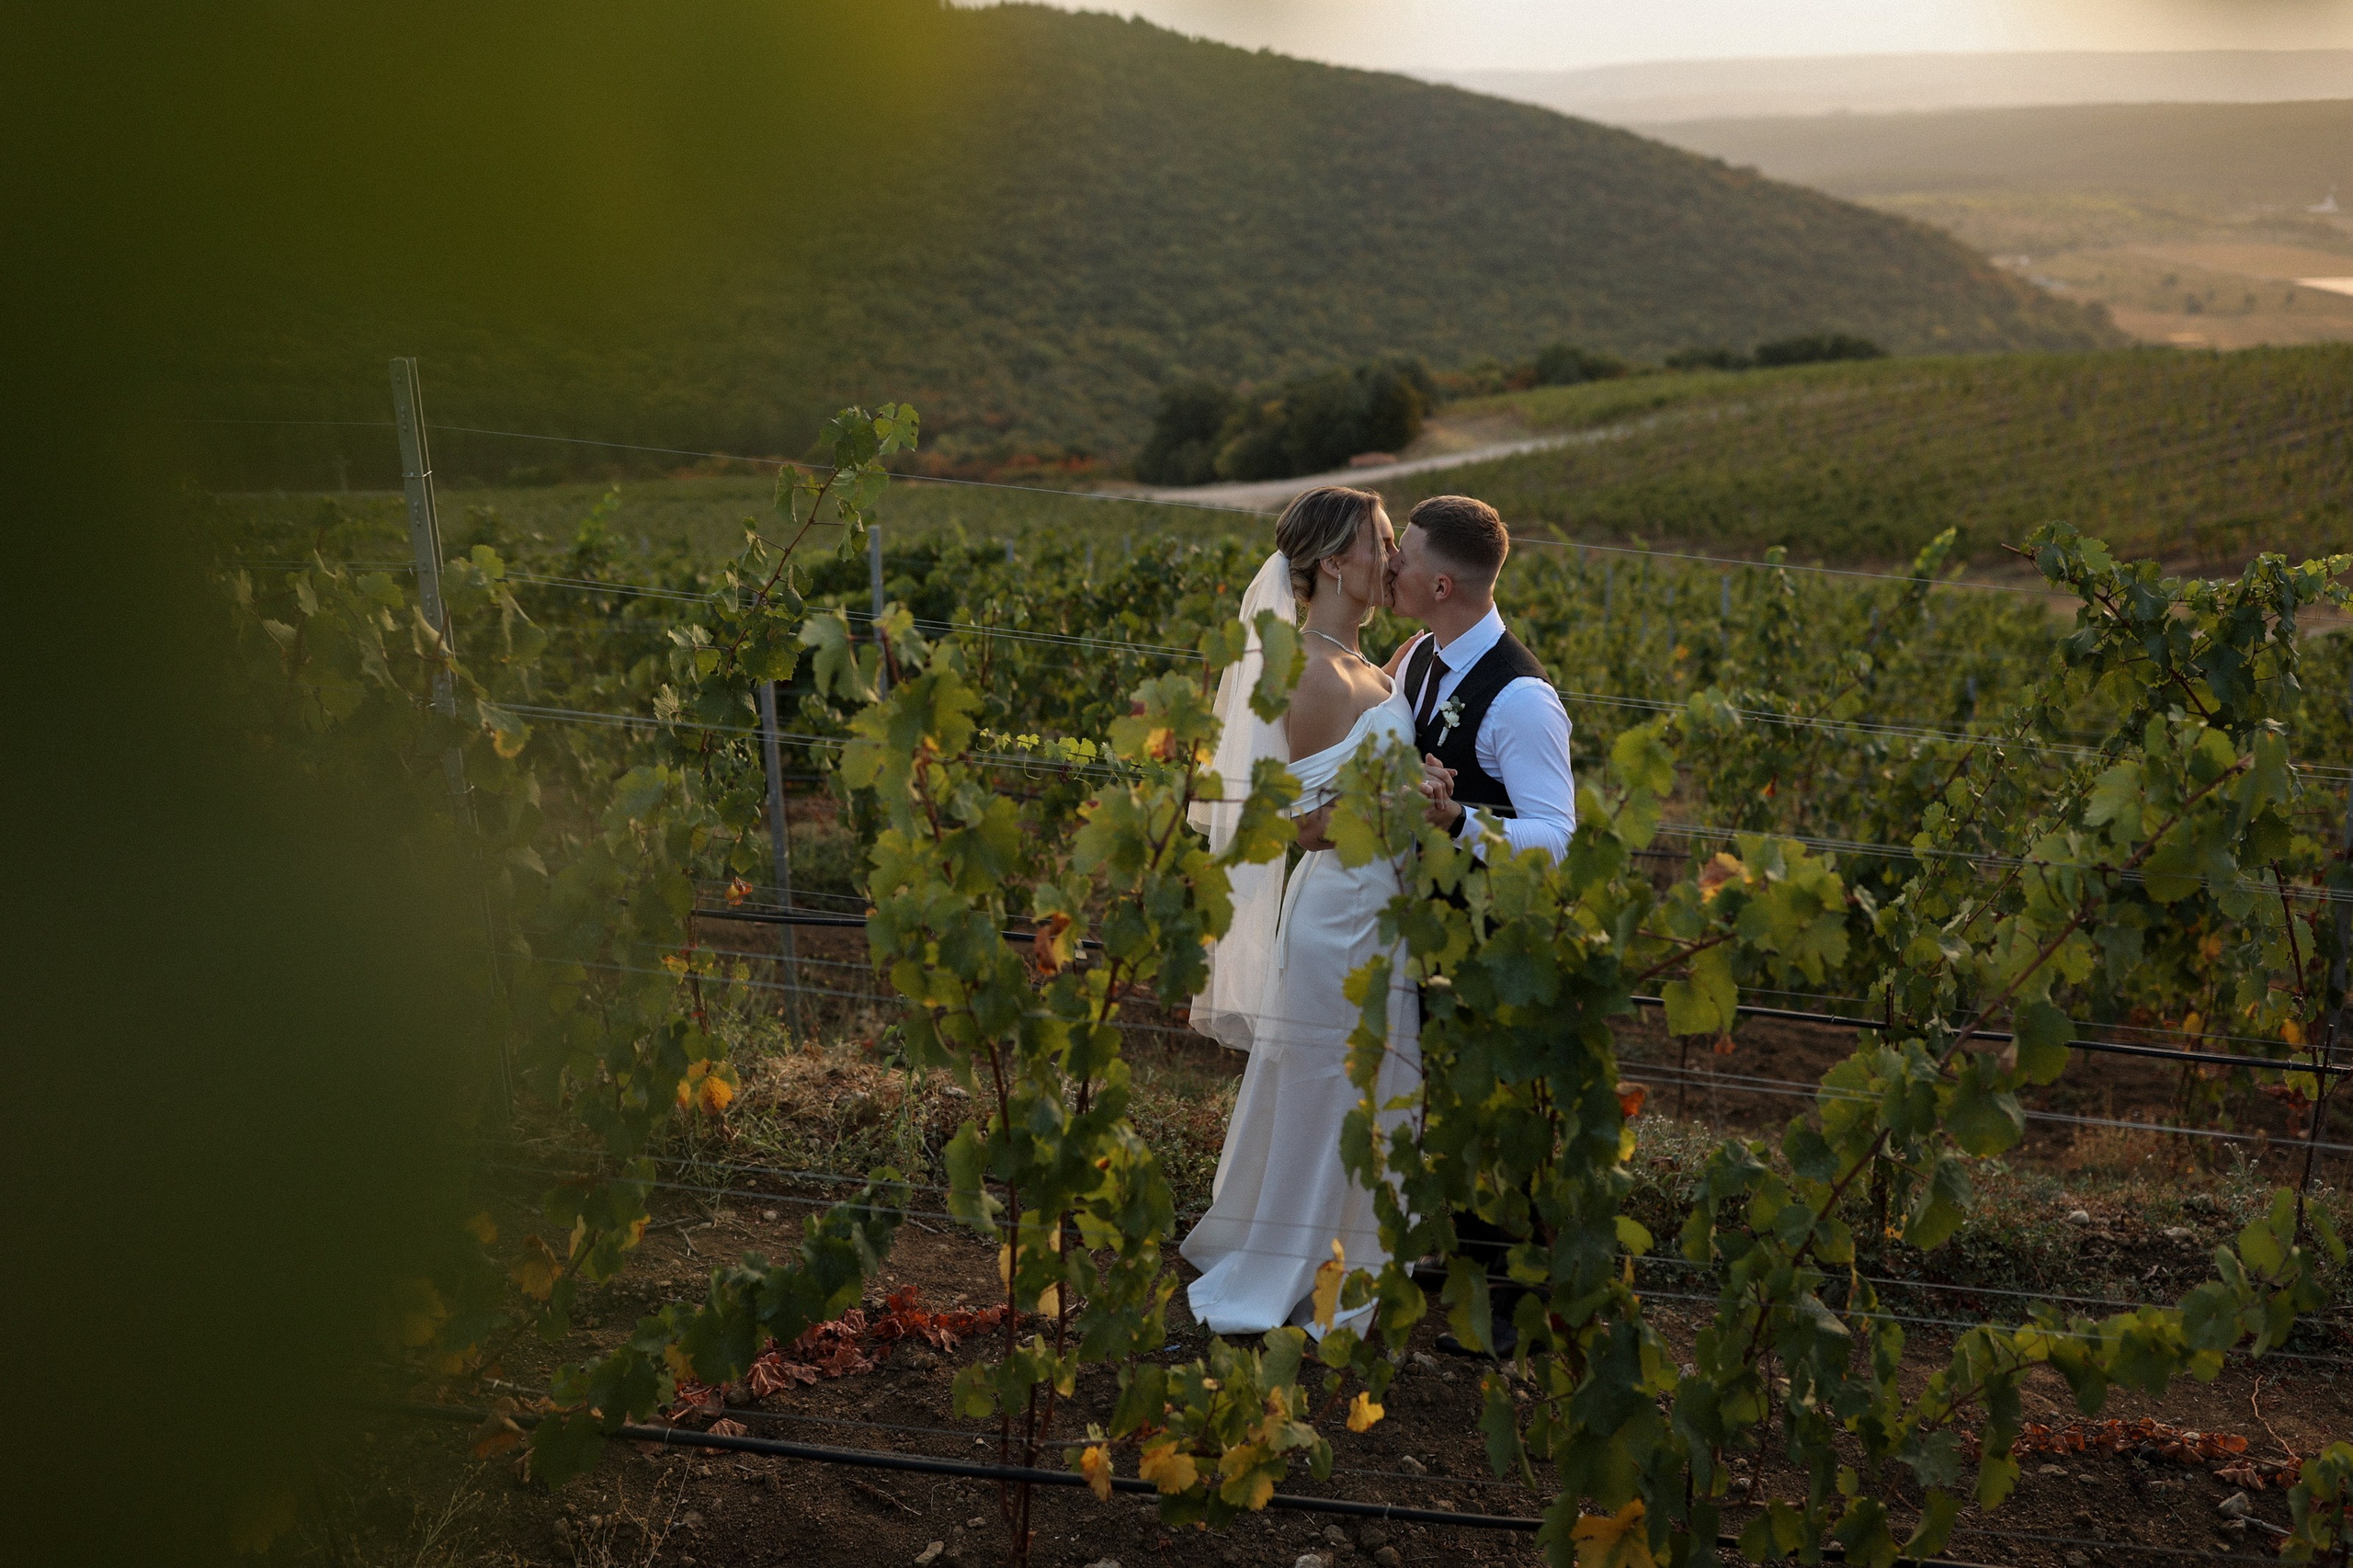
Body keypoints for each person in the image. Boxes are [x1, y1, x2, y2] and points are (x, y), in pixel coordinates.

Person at [1180, 485, 1425, 1338]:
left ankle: (1348, 1255)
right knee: (1331, 1096)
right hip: (1342, 916)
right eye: (1382, 542)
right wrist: (1403, 799)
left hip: (1374, 911)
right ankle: (1299, 1265)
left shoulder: (1365, 665)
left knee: (1360, 1093)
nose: (1393, 557)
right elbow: (1299, 826)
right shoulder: (1316, 676)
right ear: (1333, 563)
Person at [1381, 494, 1578, 1358]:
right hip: (1436, 928)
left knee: (1490, 1107)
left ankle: (1518, 1302)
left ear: (1441, 580)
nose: (1389, 566)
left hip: (1496, 939)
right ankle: (1466, 1257)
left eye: (1404, 555)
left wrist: (1461, 824)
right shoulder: (1423, 654)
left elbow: (1555, 836)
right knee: (1446, 1101)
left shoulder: (1522, 699)